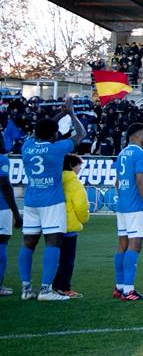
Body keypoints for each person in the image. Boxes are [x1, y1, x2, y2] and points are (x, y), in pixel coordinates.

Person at [18, 102, 86, 301]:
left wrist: (58, 116)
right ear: (54, 134)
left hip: (31, 202)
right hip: (52, 202)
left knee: (28, 243)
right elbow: (81, 134)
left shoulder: (27, 146)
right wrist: (71, 115)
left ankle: (25, 289)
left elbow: (40, 131)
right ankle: (46, 290)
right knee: (53, 243)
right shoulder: (56, 149)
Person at [113, 124, 143, 301]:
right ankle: (129, 290)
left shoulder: (122, 153)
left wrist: (124, 199)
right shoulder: (141, 154)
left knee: (122, 246)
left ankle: (119, 287)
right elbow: (141, 182)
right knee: (135, 246)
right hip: (136, 207)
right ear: (139, 135)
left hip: (123, 207)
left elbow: (117, 183)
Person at [55, 154, 89, 298]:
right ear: (71, 166)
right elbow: (81, 207)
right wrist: (83, 219)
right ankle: (64, 288)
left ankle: (51, 286)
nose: (80, 168)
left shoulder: (55, 180)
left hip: (53, 224)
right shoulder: (75, 183)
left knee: (54, 258)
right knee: (67, 260)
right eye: (78, 165)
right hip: (69, 225)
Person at [0, 169, 19, 297]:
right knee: (2, 242)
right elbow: (6, 186)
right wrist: (17, 214)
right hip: (2, 209)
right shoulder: (2, 160)